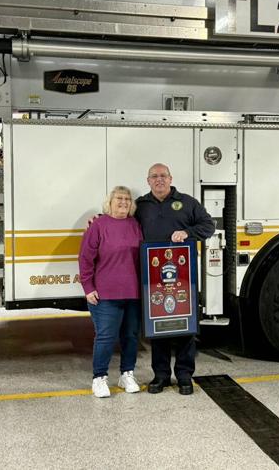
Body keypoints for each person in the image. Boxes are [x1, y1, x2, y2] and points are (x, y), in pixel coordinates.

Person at [136, 163, 215, 395]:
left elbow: (209, 225)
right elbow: (122, 222)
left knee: (185, 327)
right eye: (154, 176)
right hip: (153, 277)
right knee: (157, 327)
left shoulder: (188, 203)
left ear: (170, 178)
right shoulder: (141, 206)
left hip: (183, 275)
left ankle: (184, 376)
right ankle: (160, 376)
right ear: (148, 180)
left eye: (163, 176)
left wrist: (188, 233)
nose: (159, 180)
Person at [79, 186, 143, 398]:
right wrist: (88, 288)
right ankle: (99, 378)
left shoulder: (135, 225)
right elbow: (85, 259)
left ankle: (127, 374)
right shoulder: (98, 225)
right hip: (105, 294)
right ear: (110, 202)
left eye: (127, 199)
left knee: (131, 336)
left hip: (133, 293)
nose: (123, 202)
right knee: (106, 337)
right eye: (119, 198)